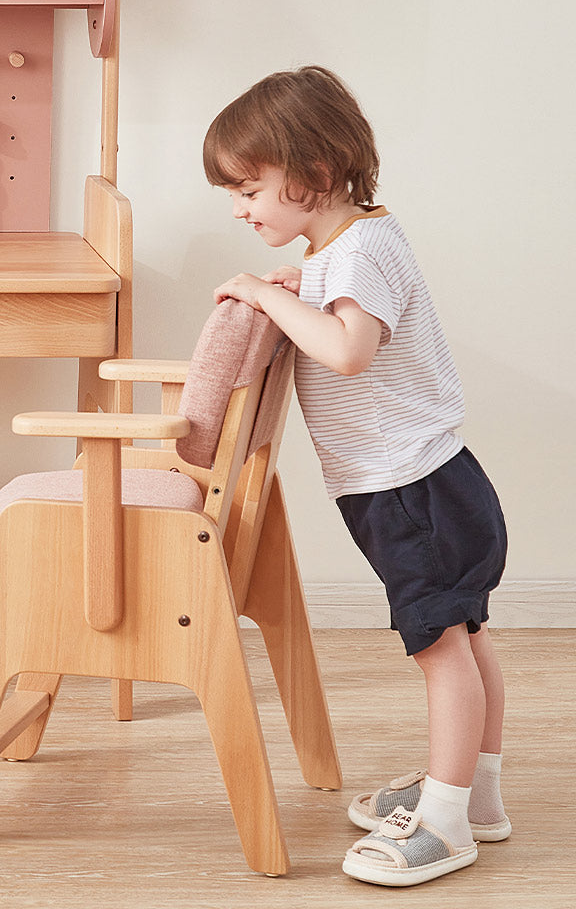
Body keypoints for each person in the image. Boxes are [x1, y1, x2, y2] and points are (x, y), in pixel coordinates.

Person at [202, 65, 509, 887]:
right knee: (465, 638)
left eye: (249, 187)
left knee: (441, 649)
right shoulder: (353, 242)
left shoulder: (361, 252)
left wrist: (265, 301)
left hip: (409, 489)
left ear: (313, 176)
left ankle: (445, 825)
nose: (240, 207)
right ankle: (475, 795)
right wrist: (302, 284)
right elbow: (352, 303)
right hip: (431, 482)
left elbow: (347, 352)